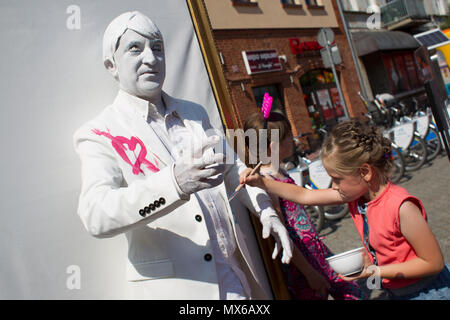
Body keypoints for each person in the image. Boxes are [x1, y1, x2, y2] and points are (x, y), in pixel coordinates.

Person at [73, 11, 293, 300]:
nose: (151, 58)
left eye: (157, 47)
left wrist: (265, 210)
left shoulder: (194, 113)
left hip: (234, 281)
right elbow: (96, 215)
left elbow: (233, 170)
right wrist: (174, 183)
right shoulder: (99, 132)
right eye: (134, 48)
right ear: (111, 65)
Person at [241, 119, 450, 300]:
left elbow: (433, 262)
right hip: (397, 292)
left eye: (337, 179)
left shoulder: (401, 206)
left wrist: (376, 271)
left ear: (365, 172)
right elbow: (306, 196)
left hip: (430, 291)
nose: (333, 187)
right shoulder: (356, 196)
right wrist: (262, 182)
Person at [242, 112, 363, 300]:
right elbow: (282, 236)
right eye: (288, 135)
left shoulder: (279, 171)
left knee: (351, 291)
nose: (293, 138)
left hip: (316, 251)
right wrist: (310, 273)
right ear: (273, 147)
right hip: (303, 263)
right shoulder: (267, 183)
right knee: (349, 292)